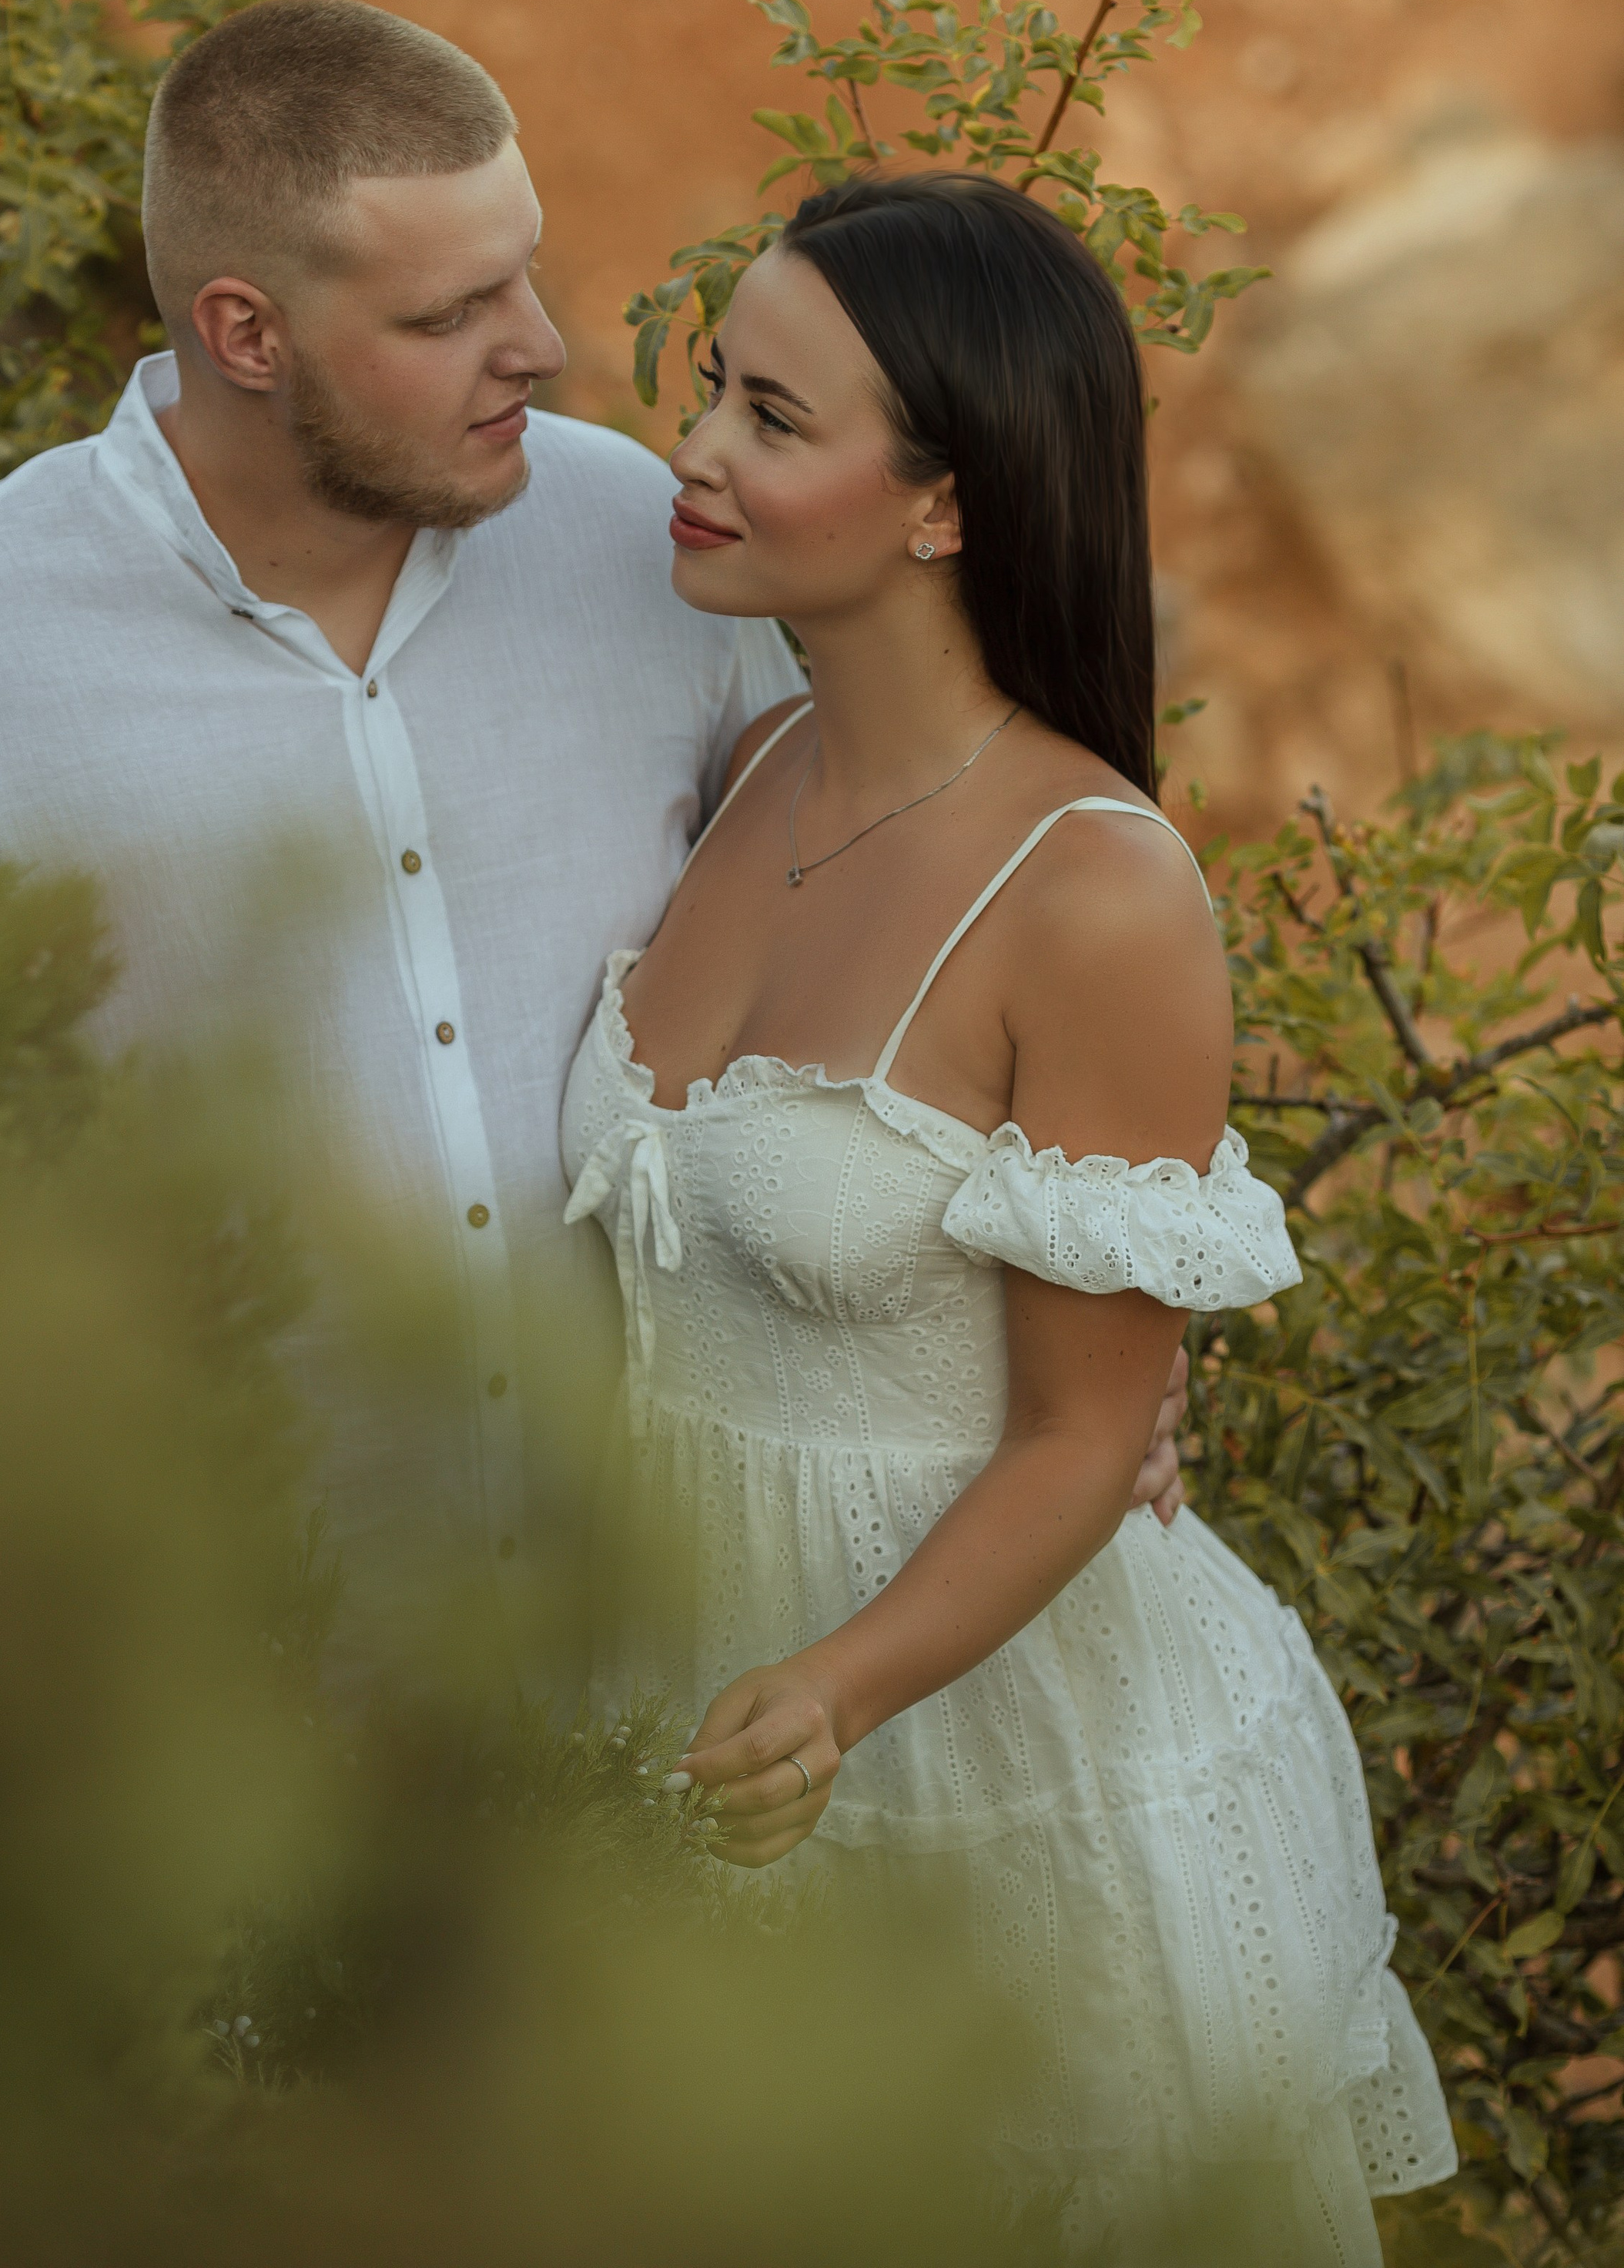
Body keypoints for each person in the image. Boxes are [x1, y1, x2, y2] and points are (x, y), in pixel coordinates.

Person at [0, 0, 1184, 1660]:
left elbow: (915, 939)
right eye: (450, 312)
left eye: (524, 268)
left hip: (679, 1662)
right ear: (246, 333)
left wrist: (1089, 1354)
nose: (541, 344)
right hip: (220, 1688)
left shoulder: (647, 550)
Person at [560, 174, 1455, 2254]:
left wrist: (838, 1691)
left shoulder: (1097, 889)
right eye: (715, 390)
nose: (692, 451)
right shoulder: (751, 767)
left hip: (977, 1737)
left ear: (945, 504)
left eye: (773, 418)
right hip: (672, 1681)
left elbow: (1079, 1437)